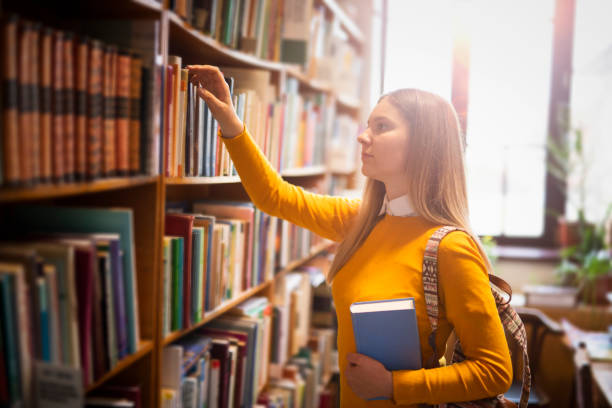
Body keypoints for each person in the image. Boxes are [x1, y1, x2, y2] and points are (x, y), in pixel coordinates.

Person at [187, 65, 513, 407]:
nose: (363, 136)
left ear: (424, 143)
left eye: (382, 127)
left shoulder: (451, 248)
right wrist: (230, 122)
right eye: (368, 125)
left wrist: (393, 385)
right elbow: (275, 196)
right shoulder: (364, 220)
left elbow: (494, 371)